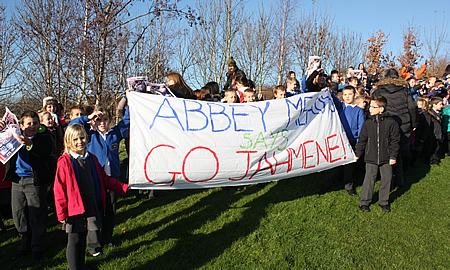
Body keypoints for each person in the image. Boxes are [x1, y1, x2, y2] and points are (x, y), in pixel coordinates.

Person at [54, 124, 128, 270]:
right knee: (75, 239)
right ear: (68, 141)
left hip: (90, 204)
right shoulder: (64, 162)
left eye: (82, 138)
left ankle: (80, 265)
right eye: (75, 139)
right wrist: (61, 212)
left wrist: (124, 187)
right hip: (74, 208)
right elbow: (59, 189)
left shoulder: (92, 158)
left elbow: (104, 179)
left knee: (83, 238)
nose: (80, 142)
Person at [70, 104, 130, 248]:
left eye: (105, 119)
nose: (102, 123)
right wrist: (88, 118)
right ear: (94, 122)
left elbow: (128, 119)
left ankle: (107, 238)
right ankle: (94, 244)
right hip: (95, 180)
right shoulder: (90, 135)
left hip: (113, 179)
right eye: (98, 120)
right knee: (95, 213)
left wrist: (129, 98)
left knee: (110, 211)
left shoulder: (115, 133)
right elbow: (73, 126)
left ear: (110, 120)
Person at [1, 111, 55, 262]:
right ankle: (24, 246)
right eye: (29, 124)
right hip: (17, 181)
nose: (32, 127)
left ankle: (38, 248)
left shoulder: (44, 137)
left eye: (35, 123)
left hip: (34, 181)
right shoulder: (13, 136)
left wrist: (30, 144)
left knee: (37, 215)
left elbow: (45, 152)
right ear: (21, 125)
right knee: (19, 215)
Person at [372, 68, 417, 188]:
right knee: (398, 152)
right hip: (402, 123)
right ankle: (399, 179)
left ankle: (389, 181)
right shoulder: (405, 91)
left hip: (384, 124)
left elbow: (372, 108)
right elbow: (412, 107)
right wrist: (414, 124)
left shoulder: (378, 91)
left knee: (387, 153)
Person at [355, 96, 400, 212]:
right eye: (370, 106)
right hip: (371, 156)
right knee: (369, 179)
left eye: (374, 107)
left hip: (387, 157)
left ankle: (383, 201)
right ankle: (364, 201)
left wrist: (393, 156)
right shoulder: (368, 123)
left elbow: (395, 141)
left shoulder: (391, 123)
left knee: (387, 178)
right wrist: (357, 154)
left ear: (381, 109)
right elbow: (362, 140)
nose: (370, 109)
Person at [320, 86, 364, 196]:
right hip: (339, 140)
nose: (347, 96)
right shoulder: (340, 107)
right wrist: (329, 91)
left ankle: (348, 185)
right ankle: (326, 185)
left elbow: (361, 127)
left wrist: (359, 142)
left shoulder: (359, 110)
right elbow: (334, 99)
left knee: (349, 166)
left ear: (355, 95)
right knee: (334, 165)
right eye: (345, 94)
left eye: (350, 94)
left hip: (352, 140)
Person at [423, 97, 444, 165]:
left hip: (437, 133)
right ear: (434, 104)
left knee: (436, 147)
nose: (442, 106)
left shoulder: (439, 113)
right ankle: (429, 160)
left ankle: (434, 159)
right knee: (430, 148)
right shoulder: (429, 114)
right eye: (440, 104)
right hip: (432, 134)